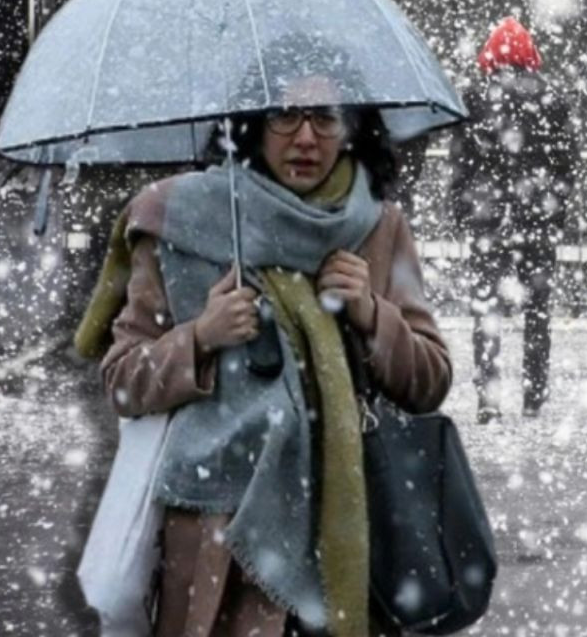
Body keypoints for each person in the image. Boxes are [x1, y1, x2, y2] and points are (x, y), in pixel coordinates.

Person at [78, 70, 451, 636]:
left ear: (352, 127)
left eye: (325, 117)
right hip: (215, 534)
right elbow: (123, 383)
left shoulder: (376, 226)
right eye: (284, 115)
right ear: (251, 124)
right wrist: (200, 336)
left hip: (342, 526)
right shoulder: (180, 220)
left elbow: (430, 381)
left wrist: (372, 313)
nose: (305, 137)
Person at [447, 16, 580, 422]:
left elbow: (460, 161)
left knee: (486, 310)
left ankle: (489, 400)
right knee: (537, 312)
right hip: (537, 218)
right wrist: (555, 209)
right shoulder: (552, 98)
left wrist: (462, 208)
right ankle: (534, 396)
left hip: (488, 219)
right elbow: (567, 163)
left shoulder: (474, 97)